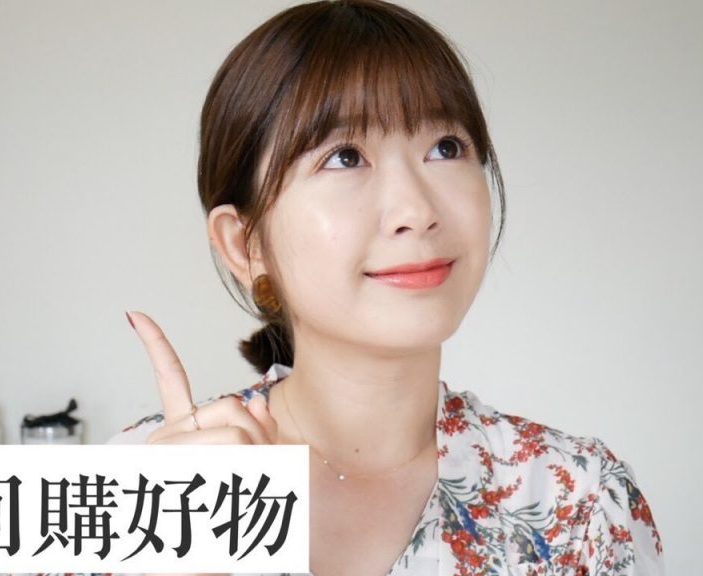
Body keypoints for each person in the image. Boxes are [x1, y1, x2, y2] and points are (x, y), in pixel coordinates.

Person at [95, 1, 664, 574]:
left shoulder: (581, 502)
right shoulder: (138, 485)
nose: (416, 210)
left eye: (446, 147)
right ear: (247, 245)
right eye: (345, 157)